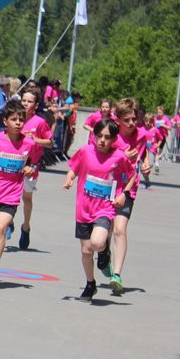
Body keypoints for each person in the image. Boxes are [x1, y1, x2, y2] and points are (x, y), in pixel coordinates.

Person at [63, 119, 133, 301]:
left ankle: (103, 252)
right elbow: (73, 169)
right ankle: (90, 283)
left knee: (97, 242)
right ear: (94, 136)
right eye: (99, 136)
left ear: (115, 139)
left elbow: (132, 176)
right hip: (83, 208)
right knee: (86, 252)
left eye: (107, 137)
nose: (102, 140)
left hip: (105, 209)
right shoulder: (86, 151)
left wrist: (124, 194)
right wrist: (69, 178)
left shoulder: (119, 157)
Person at [0, 99, 38, 289]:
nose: (18, 123)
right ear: (5, 121)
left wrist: (30, 169)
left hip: (11, 194)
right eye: (14, 119)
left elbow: (33, 163)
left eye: (21, 119)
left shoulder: (29, 143)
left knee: (0, 229)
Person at [96, 98, 148, 292]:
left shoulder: (142, 135)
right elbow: (101, 157)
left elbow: (141, 156)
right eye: (127, 120)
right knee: (106, 230)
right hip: (107, 186)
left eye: (134, 118)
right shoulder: (111, 137)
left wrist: (144, 163)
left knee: (120, 229)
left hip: (128, 188)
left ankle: (116, 274)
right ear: (118, 120)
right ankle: (103, 253)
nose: (132, 123)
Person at [18, 87, 53, 250]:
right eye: (23, 100)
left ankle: (26, 226)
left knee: (26, 197)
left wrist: (36, 139)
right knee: (8, 194)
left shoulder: (40, 122)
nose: (25, 104)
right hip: (14, 163)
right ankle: (8, 221)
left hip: (31, 165)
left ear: (36, 104)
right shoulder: (15, 117)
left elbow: (50, 142)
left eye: (29, 101)